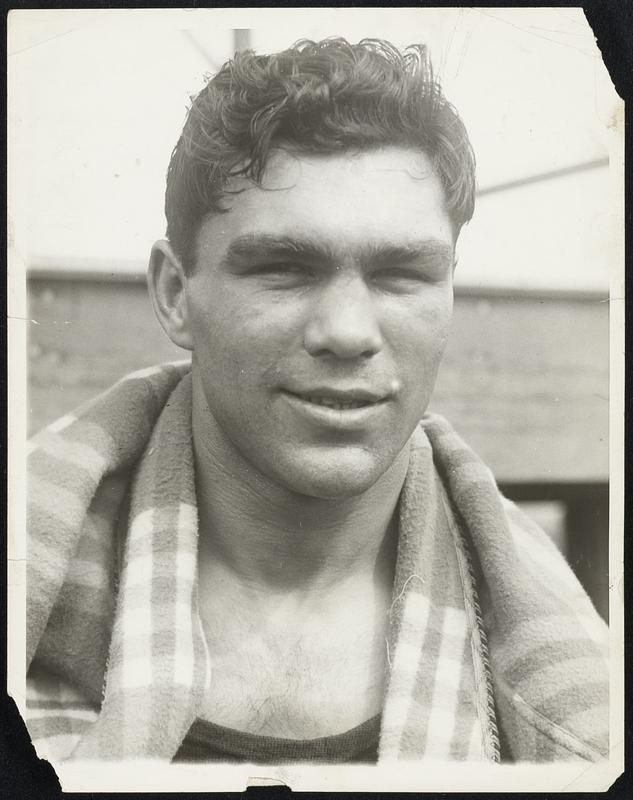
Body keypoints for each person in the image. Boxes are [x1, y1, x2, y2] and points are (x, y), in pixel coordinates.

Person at [25, 38, 608, 765]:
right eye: (282, 268)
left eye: (401, 274)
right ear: (177, 295)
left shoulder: (573, 682)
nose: (347, 332)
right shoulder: (30, 570)